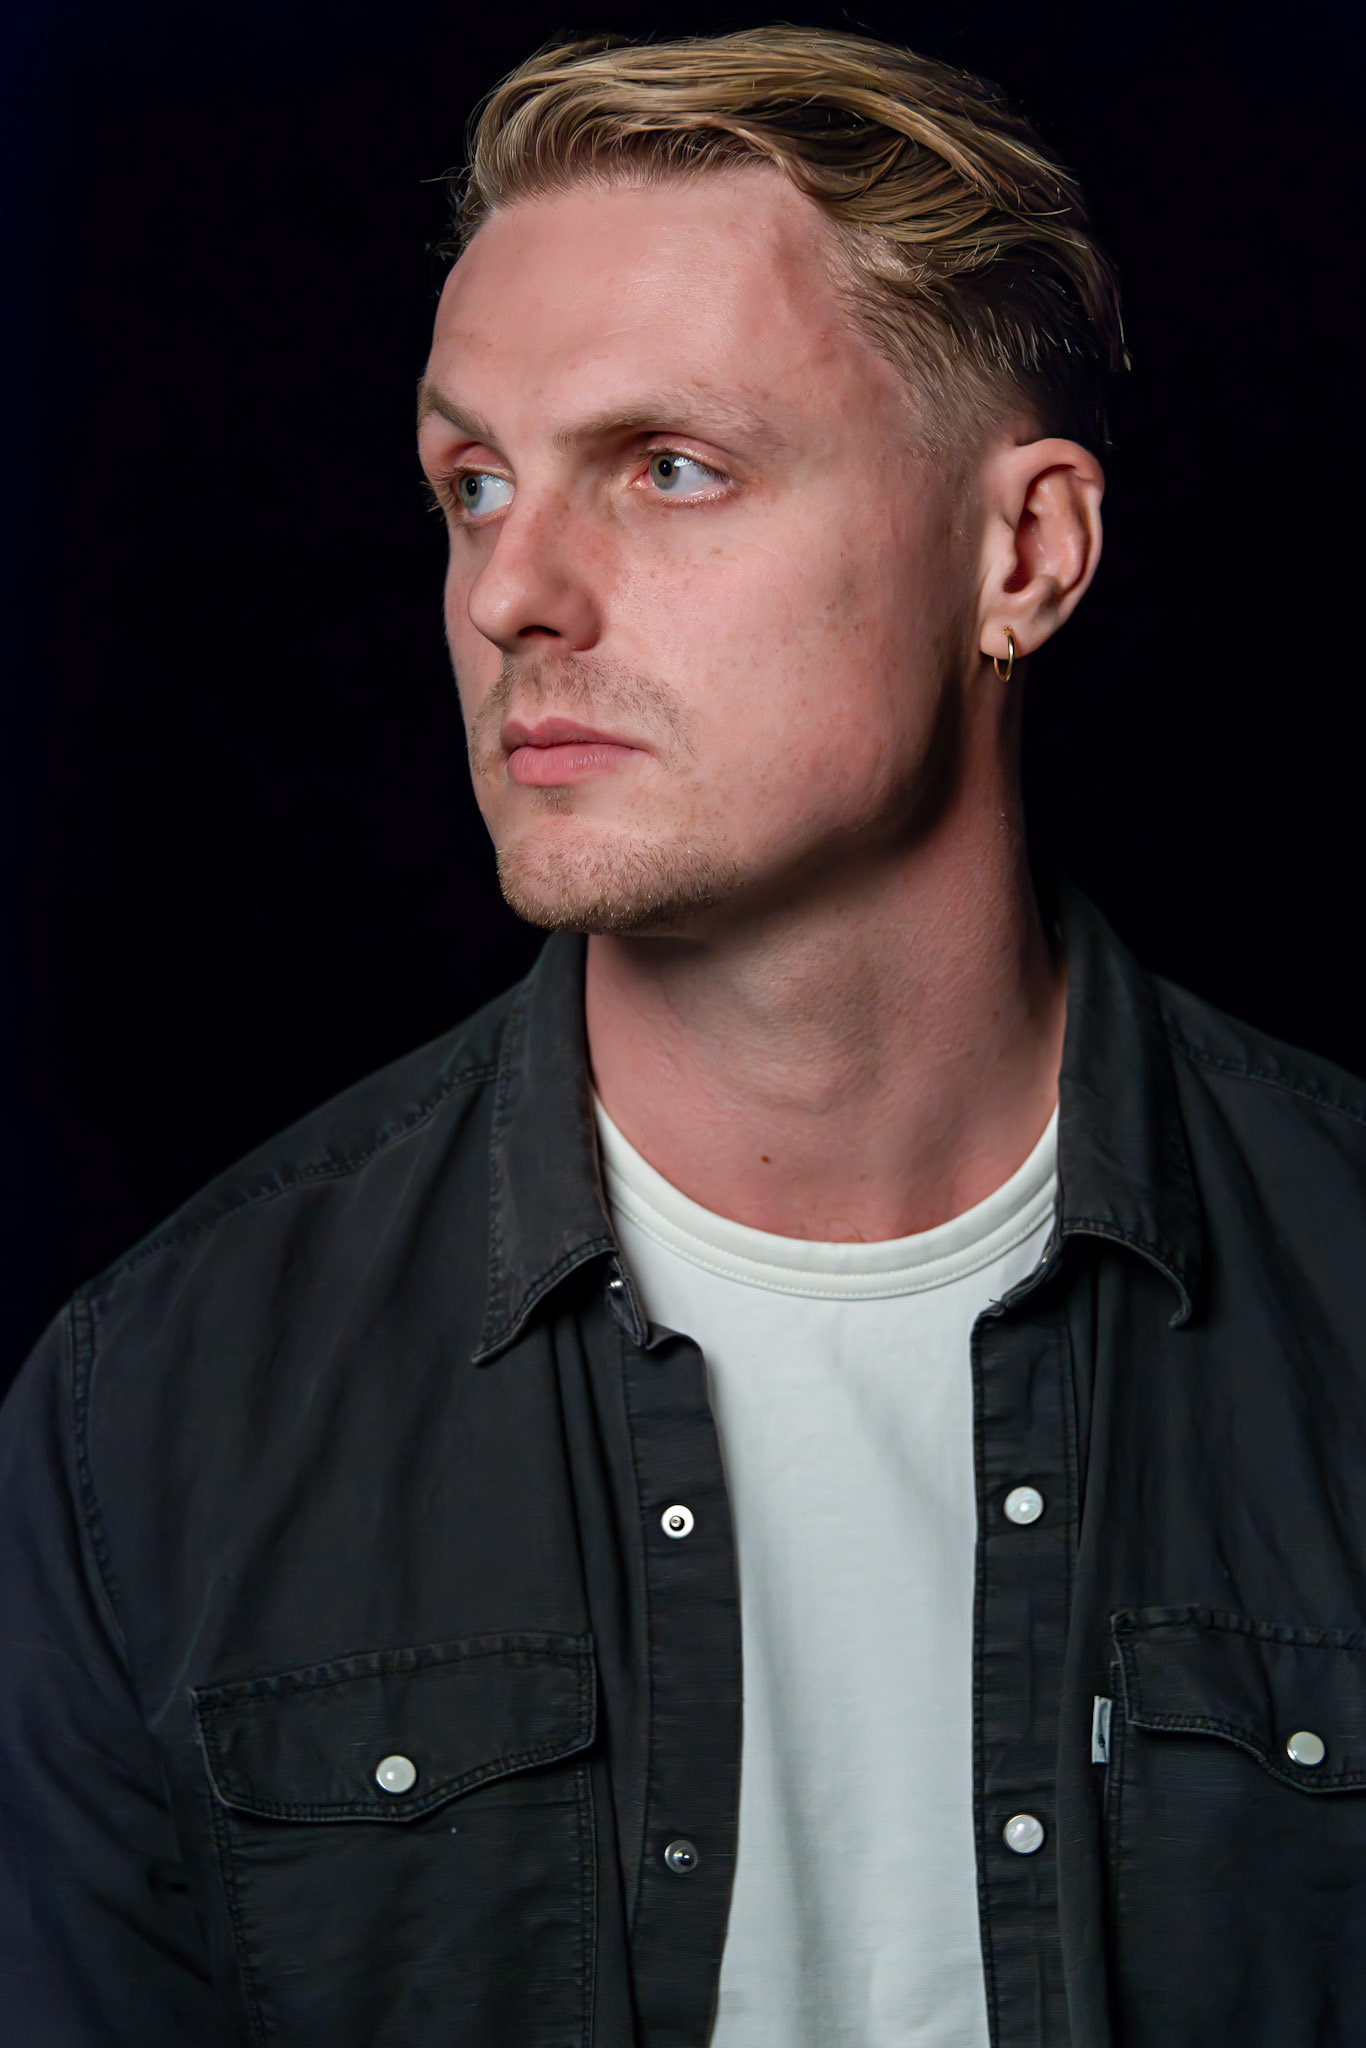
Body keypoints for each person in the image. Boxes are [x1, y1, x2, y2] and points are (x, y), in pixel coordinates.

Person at [3, 23, 1365, 2048]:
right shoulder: (152, 1413)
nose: (511, 592)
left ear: (1020, 554)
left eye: (665, 466)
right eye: (470, 481)